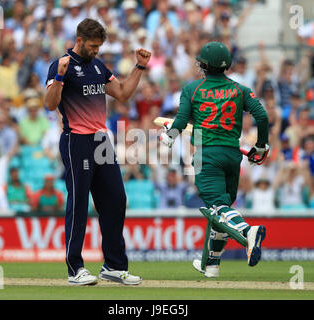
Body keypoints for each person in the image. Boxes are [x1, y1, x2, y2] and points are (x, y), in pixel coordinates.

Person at [44, 18, 151, 286]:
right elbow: (49, 104)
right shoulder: (61, 65)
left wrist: (139, 66)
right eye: (92, 46)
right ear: (79, 40)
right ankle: (75, 268)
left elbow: (124, 93)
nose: (96, 51)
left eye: (99, 46)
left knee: (116, 200)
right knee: (79, 204)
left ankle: (114, 266)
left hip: (102, 141)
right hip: (76, 140)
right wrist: (58, 76)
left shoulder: (98, 65)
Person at [159, 42, 269, 277]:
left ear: (204, 65)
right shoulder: (240, 89)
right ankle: (211, 264)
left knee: (218, 207)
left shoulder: (192, 89)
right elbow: (261, 115)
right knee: (221, 208)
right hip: (232, 156)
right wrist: (260, 146)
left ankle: (248, 231)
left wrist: (168, 137)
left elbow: (180, 122)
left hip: (207, 155)